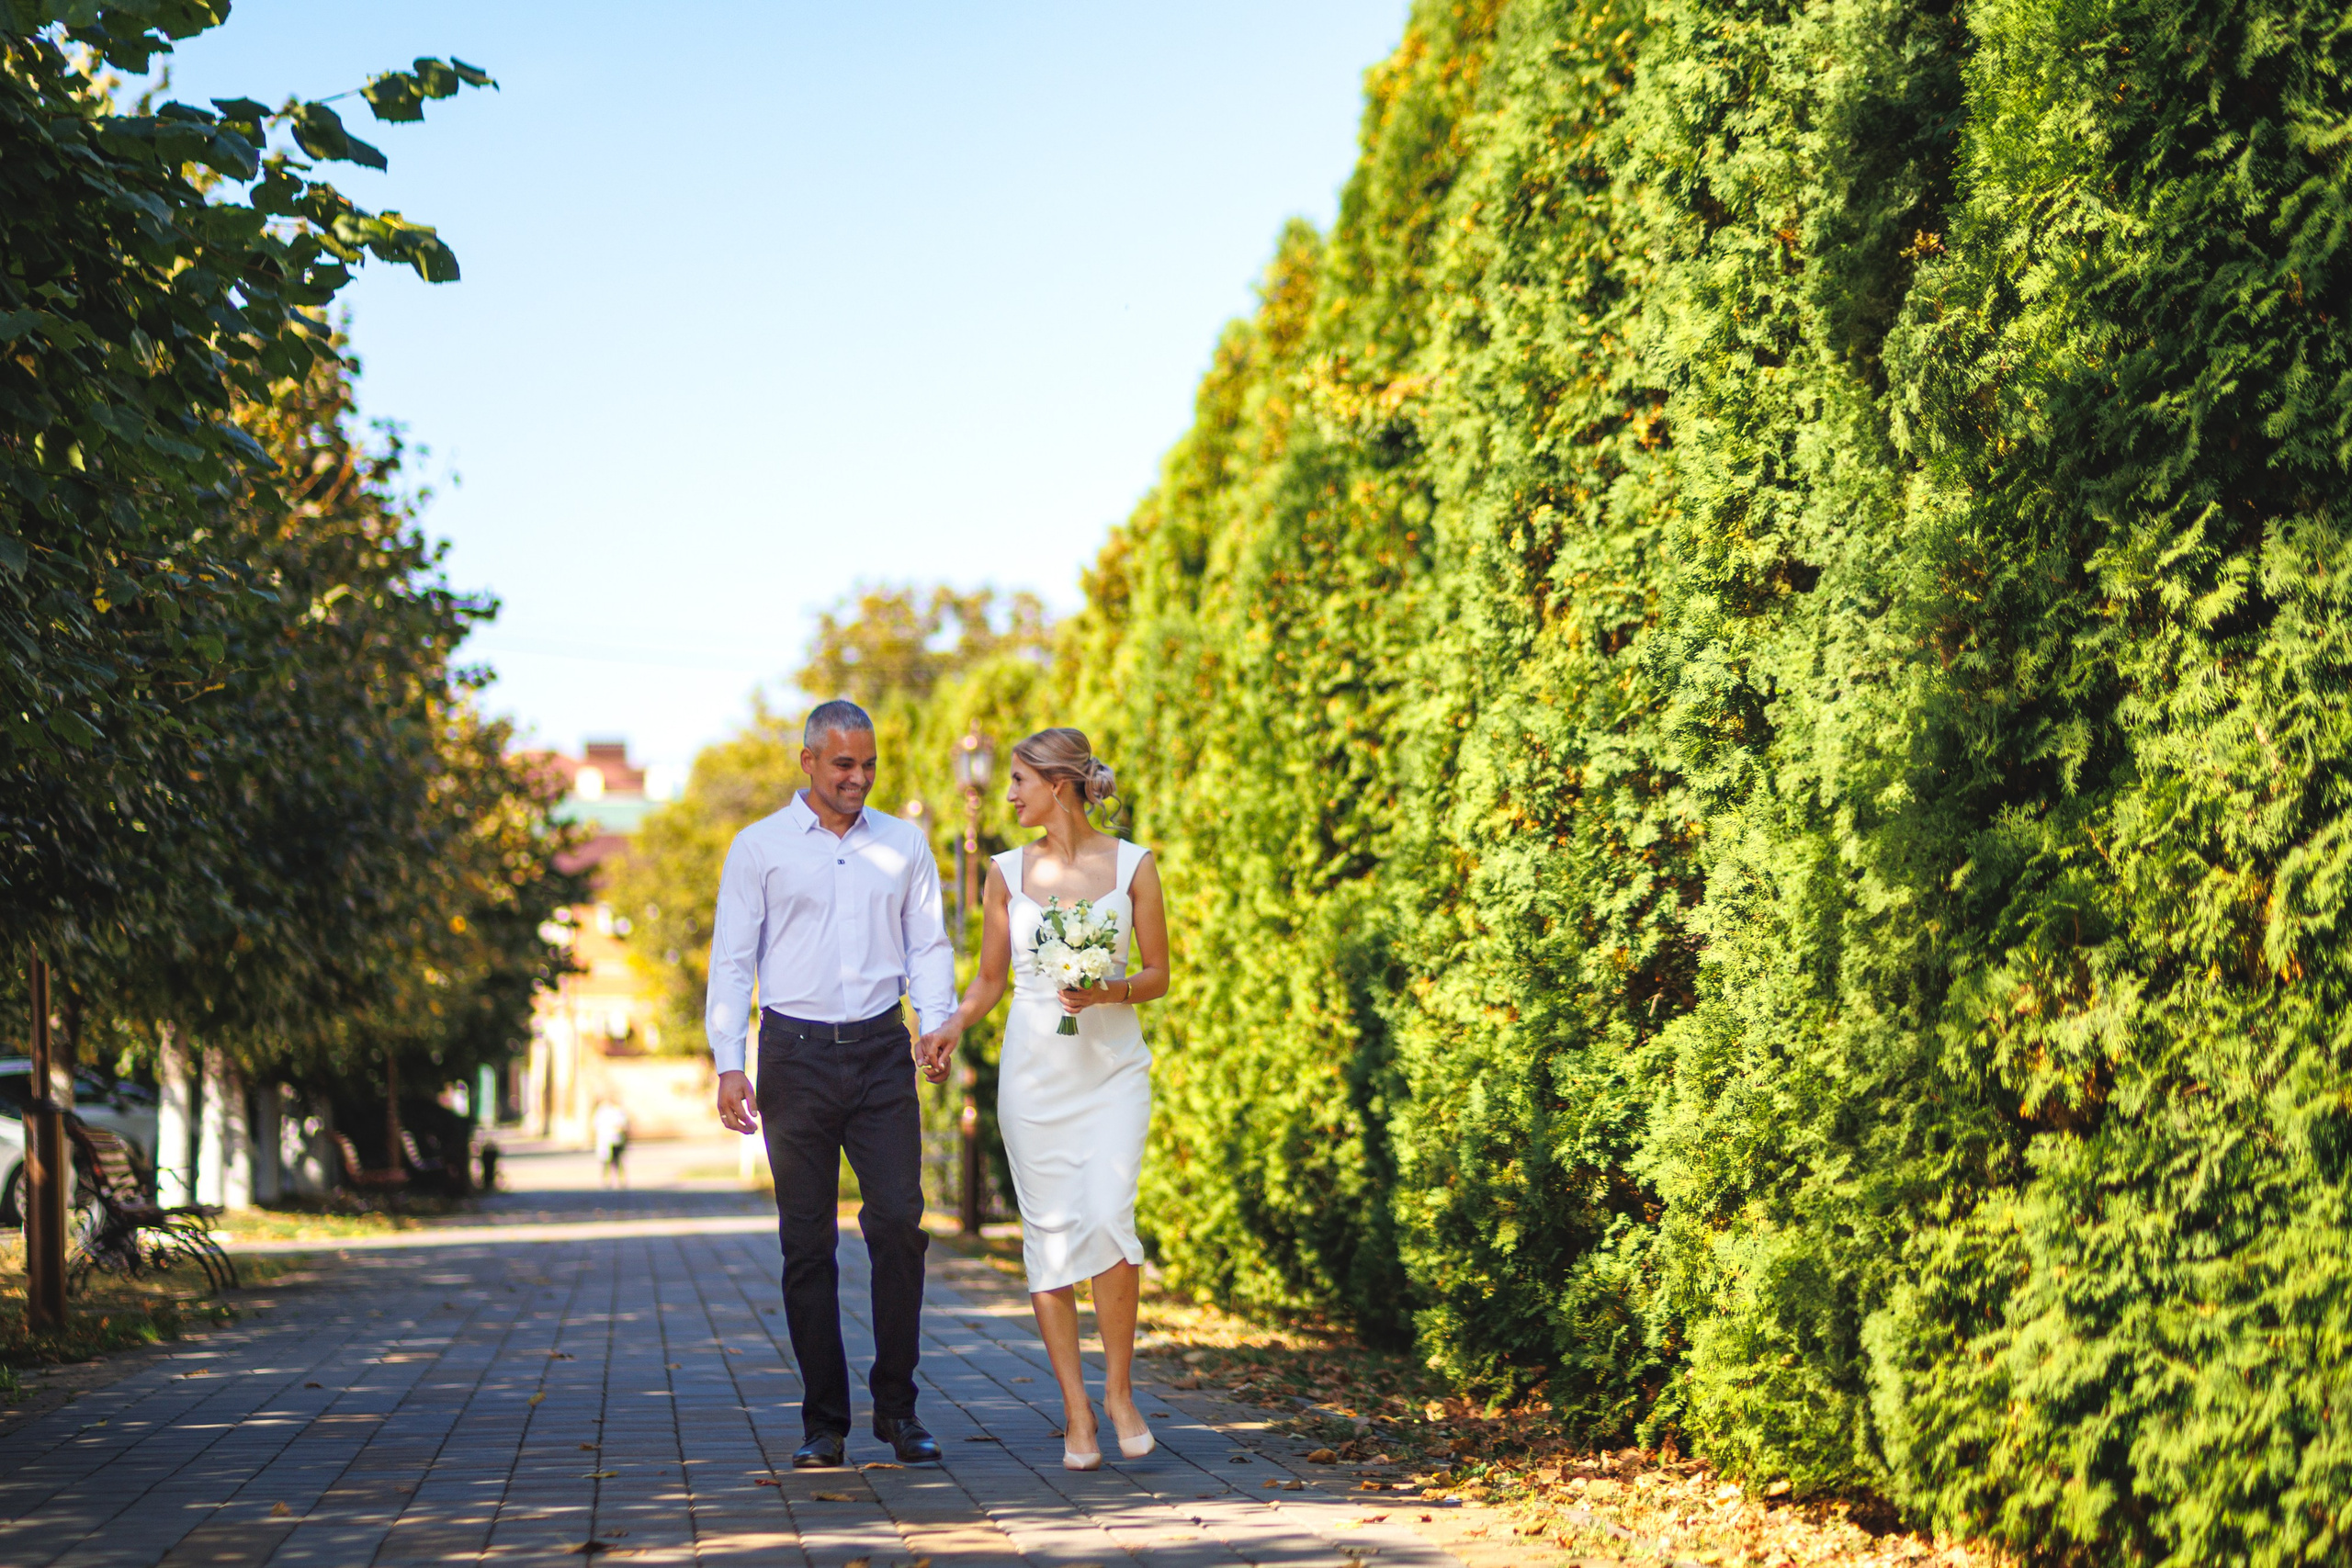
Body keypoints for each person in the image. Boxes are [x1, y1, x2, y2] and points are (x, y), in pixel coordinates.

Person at [707, 699, 956, 1470]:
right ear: (809, 761)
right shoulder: (759, 849)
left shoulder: (903, 844)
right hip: (795, 1055)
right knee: (806, 1242)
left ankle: (898, 1406)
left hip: (883, 1051)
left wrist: (936, 1023)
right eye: (844, 763)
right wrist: (728, 1059)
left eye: (869, 763)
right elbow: (731, 957)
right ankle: (825, 1423)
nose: (858, 777)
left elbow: (930, 942)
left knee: (898, 1222)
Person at [920, 727, 1168, 1472]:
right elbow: (990, 979)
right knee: (1050, 1235)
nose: (1008, 793)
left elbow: (1158, 973)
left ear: (1057, 784)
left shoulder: (1134, 866)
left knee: (1110, 1213)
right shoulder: (1002, 871)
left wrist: (1108, 990)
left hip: (1113, 1069)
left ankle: (1121, 1390)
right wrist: (950, 1026)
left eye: (1020, 780)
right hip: (1033, 1077)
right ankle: (1076, 1411)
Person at [592, 1100, 629, 1189]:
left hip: (615, 1140)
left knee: (616, 1161)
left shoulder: (615, 1111)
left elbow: (623, 1124)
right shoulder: (604, 1111)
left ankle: (618, 1180)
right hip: (608, 1139)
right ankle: (608, 1180)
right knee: (608, 1161)